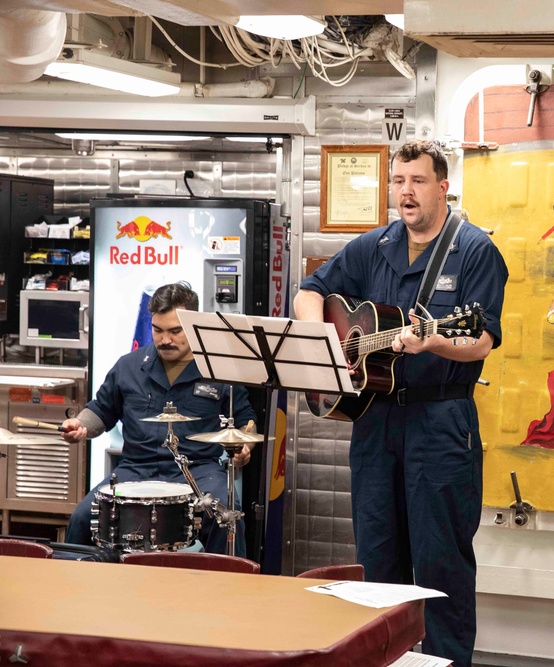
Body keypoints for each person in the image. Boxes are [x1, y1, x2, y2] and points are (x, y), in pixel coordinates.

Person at [294, 140, 507, 667]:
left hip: (440, 422)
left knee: (441, 567)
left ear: (443, 185)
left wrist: (432, 341)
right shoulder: (374, 245)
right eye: (398, 182)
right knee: (376, 563)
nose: (406, 193)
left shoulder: (476, 250)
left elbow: (481, 340)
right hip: (375, 424)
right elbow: (310, 290)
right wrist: (324, 338)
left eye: (417, 181)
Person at [64, 282, 257, 557]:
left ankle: (227, 590)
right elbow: (101, 410)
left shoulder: (219, 369)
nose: (165, 339)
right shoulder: (128, 365)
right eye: (158, 330)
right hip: (135, 468)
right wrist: (81, 425)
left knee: (224, 518)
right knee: (83, 518)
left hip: (198, 471)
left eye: (175, 331)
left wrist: (245, 446)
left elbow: (246, 420)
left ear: (193, 325)